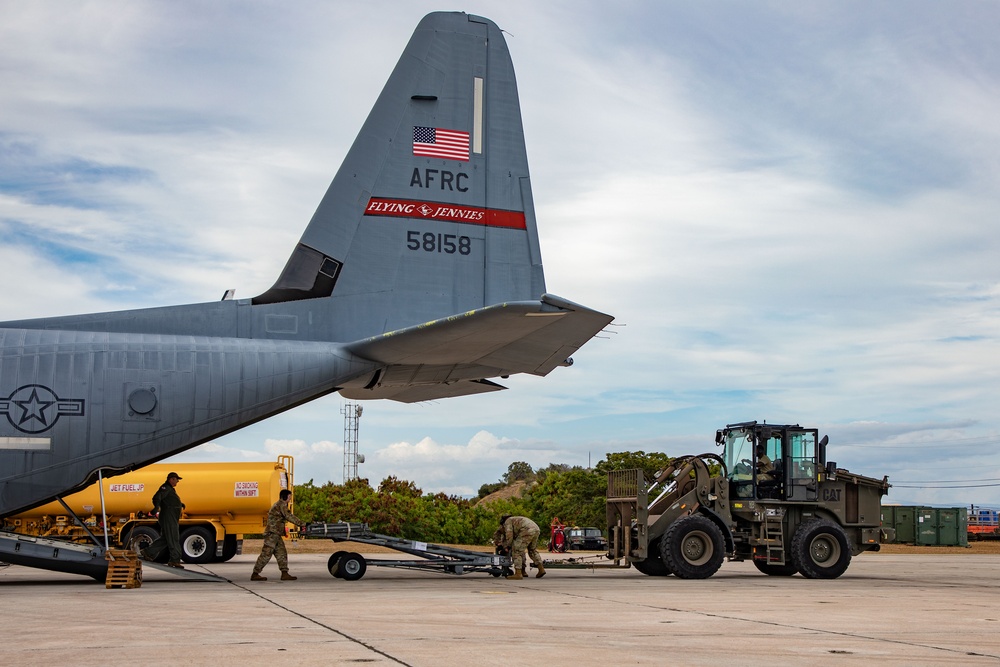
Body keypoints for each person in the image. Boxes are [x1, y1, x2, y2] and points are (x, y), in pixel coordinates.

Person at [251, 489, 306, 581]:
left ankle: (284, 573)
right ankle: (255, 573)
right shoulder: (281, 505)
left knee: (281, 553)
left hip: (276, 534)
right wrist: (302, 523)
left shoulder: (279, 505)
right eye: (289, 497)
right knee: (266, 554)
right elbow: (289, 516)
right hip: (272, 534)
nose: (290, 499)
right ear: (285, 497)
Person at [143, 472, 185, 568]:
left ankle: (148, 552)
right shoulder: (165, 487)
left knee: (166, 538)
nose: (177, 481)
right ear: (171, 479)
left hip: (171, 516)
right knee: (173, 537)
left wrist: (179, 504)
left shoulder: (170, 489)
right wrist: (156, 508)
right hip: (168, 517)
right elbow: (157, 497)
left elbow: (168, 500)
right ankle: (175, 560)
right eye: (176, 479)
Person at [497, 515, 546, 580]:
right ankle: (541, 569)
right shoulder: (515, 519)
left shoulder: (507, 522)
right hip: (536, 529)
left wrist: (508, 546)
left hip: (526, 530)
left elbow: (509, 535)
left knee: (516, 551)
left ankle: (518, 574)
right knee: (532, 550)